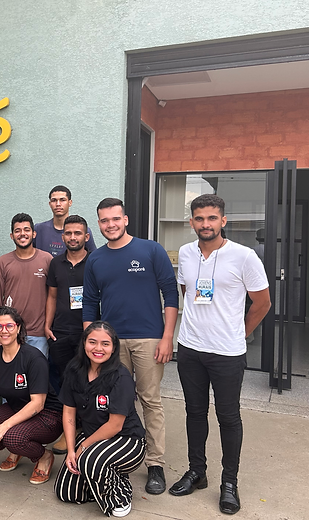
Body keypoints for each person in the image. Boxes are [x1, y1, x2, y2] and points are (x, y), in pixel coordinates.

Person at [168, 194, 270, 515]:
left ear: (223, 221)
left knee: (228, 417)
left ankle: (229, 482)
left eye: (212, 218)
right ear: (192, 222)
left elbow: (262, 303)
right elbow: (187, 292)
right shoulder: (186, 253)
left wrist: (240, 333)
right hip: (190, 348)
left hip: (227, 352)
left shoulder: (244, 256)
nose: (206, 224)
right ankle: (197, 471)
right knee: (194, 413)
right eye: (199, 218)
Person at [82, 197, 179, 495]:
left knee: (150, 400)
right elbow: (89, 303)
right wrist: (90, 343)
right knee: (115, 401)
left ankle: (155, 463)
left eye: (115, 219)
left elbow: (171, 294)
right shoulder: (95, 259)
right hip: (110, 342)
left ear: (125, 220)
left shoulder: (151, 250)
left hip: (149, 338)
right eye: (104, 220)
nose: (110, 225)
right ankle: (116, 455)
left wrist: (167, 337)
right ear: (99, 224)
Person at [54, 321, 146, 518]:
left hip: (127, 440)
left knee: (88, 460)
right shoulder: (74, 370)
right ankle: (102, 475)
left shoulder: (121, 376)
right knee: (66, 492)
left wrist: (82, 447)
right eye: (92, 342)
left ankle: (120, 494)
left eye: (105, 344)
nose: (98, 348)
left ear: (113, 348)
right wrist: (71, 450)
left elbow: (115, 425)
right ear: (84, 343)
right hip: (93, 436)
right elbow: (69, 413)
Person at [0, 306, 62, 484]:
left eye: (9, 326)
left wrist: (5, 426)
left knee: (12, 437)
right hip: (16, 407)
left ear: (18, 328)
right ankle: (17, 448)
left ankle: (44, 456)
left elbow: (38, 403)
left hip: (48, 414)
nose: (4, 331)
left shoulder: (33, 358)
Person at [44, 215, 93, 454]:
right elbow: (52, 296)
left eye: (77, 233)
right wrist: (47, 325)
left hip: (89, 332)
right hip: (61, 331)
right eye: (69, 233)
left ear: (86, 236)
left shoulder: (96, 261)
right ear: (63, 236)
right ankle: (68, 430)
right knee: (65, 381)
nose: (73, 237)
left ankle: (91, 429)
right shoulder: (55, 263)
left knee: (90, 380)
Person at [0, 213, 53, 357]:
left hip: (39, 333)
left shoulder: (47, 259)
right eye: (17, 231)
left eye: (26, 230)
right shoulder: (3, 262)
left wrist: (48, 326)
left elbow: (53, 296)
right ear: (12, 236)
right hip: (10, 332)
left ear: (34, 234)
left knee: (37, 369)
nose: (22, 234)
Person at [34, 185, 96, 257]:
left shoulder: (83, 231)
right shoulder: (38, 229)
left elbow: (93, 257)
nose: (58, 204)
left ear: (70, 203)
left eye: (62, 200)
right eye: (54, 200)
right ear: (50, 204)